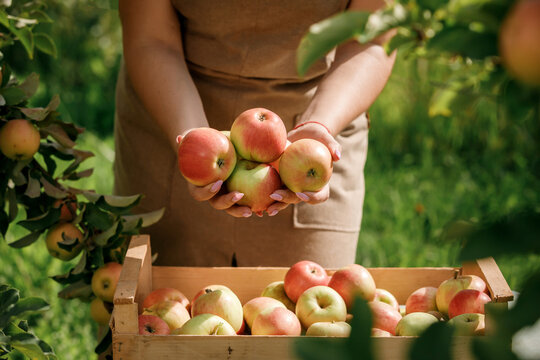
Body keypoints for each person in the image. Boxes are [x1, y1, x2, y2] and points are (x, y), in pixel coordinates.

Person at [113, 0, 396, 268]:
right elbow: (151, 39)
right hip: (172, 107)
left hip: (324, 112)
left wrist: (320, 128)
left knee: (305, 307)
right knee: (154, 307)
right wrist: (194, 145)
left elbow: (372, 39)